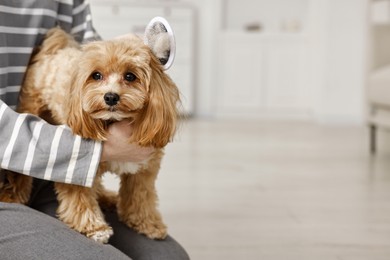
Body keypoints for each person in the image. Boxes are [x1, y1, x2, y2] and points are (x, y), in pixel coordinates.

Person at [0, 1, 189, 259]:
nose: (112, 91)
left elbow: (89, 50)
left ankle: (136, 210)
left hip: (47, 165)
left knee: (169, 257)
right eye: (100, 79)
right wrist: (97, 149)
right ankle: (31, 192)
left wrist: (117, 50)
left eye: (130, 78)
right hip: (29, 163)